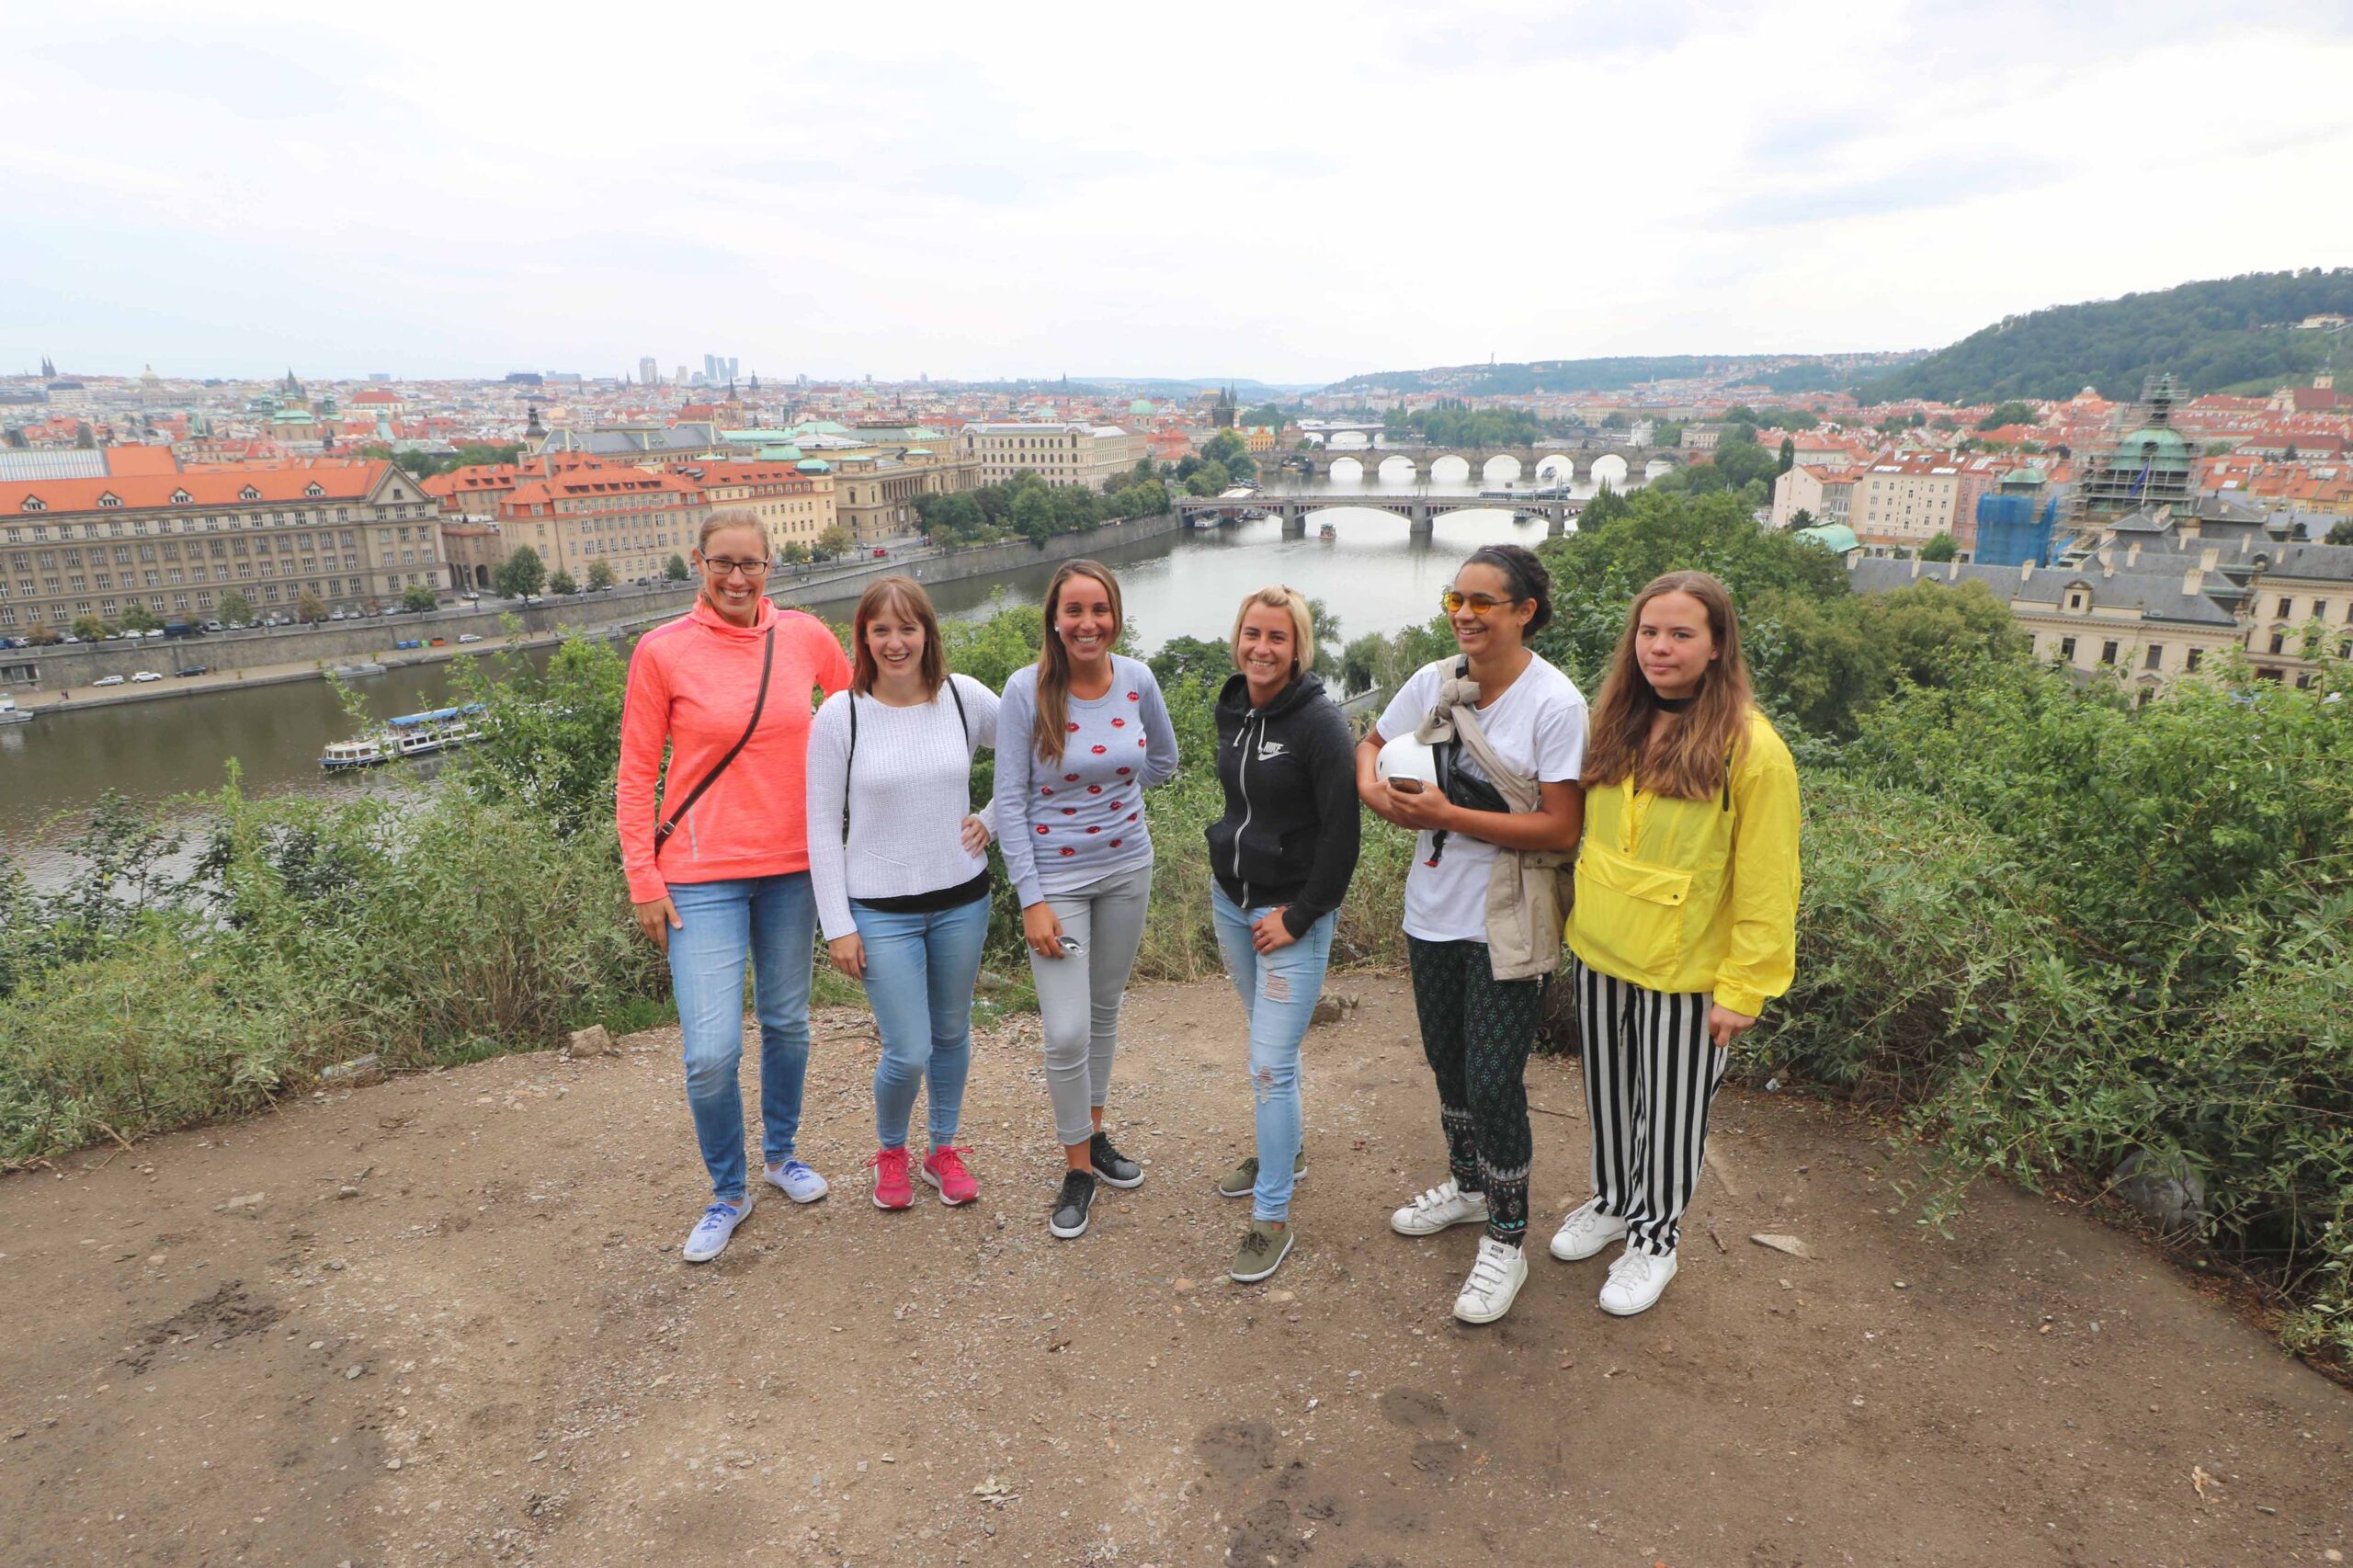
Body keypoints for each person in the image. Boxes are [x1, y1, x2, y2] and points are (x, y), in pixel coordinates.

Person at [1550, 570, 1800, 1316]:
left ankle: (1655, 1239)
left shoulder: (1752, 751)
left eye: (1681, 633)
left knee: (1669, 1111)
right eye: (1649, 631)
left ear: (1718, 645)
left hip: (1685, 972)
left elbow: (1767, 880)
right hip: (1600, 948)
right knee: (1607, 1095)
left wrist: (1744, 986)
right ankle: (1614, 1199)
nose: (1660, 647)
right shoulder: (1617, 721)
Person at [1357, 543, 1587, 1325]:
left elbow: (1562, 824)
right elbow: (1371, 743)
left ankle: (1508, 1237)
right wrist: (1372, 790)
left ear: (1525, 611)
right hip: (1431, 912)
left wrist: (1448, 816)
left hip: (1506, 921)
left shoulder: (1555, 704)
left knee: (1495, 1082)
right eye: (1457, 599)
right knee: (1448, 1064)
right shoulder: (1434, 681)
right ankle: (1465, 1187)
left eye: (1484, 602)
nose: (1465, 614)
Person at [618, 509, 851, 1265]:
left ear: (770, 567)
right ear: (699, 563)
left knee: (787, 1022)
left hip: (792, 867)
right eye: (723, 563)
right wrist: (642, 878)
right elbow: (635, 775)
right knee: (710, 1052)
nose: (737, 578)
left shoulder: (807, 638)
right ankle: (728, 1190)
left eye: (750, 564)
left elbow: (864, 718)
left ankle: (781, 1155)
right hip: (699, 875)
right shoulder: (662, 652)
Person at [993, 561, 1179, 1240]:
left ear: (1115, 615)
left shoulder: (1137, 679)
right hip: (1059, 890)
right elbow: (1010, 801)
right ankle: (1077, 1167)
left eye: (1098, 609)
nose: (1087, 623)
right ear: (1054, 618)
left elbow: (1163, 760)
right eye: (1073, 611)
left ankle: (1096, 1134)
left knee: (1104, 1010)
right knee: (1067, 1027)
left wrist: (1113, 799)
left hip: (1129, 870)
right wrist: (1031, 898)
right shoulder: (1027, 690)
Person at [806, 576, 999, 1211]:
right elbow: (819, 825)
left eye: (907, 628)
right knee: (908, 1047)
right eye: (881, 629)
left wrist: (992, 818)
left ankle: (941, 1149)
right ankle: (891, 1150)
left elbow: (1036, 747)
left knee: (951, 1032)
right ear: (862, 637)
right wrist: (837, 924)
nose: (895, 642)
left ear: (927, 634)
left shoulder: (964, 698)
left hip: (962, 900)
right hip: (879, 912)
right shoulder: (841, 715)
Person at [1206, 586, 1360, 1284]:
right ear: (1236, 637)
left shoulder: (1320, 724)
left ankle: (1271, 1215)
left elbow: (1343, 836)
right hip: (1231, 904)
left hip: (1287, 918)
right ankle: (1285, 1152)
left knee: (1269, 1065)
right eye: (1251, 634)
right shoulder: (1234, 704)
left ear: (1299, 647)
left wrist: (1297, 916)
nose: (1261, 648)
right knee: (1269, 1050)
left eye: (1276, 637)